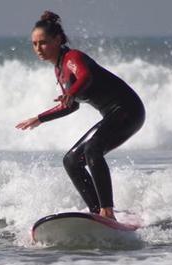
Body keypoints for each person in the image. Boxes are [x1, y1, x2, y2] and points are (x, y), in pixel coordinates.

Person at [16, 11, 145, 220]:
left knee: (93, 149)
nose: (38, 49)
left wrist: (70, 93)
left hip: (128, 110)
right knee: (71, 161)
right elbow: (70, 106)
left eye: (43, 43)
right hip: (113, 115)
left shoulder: (72, 58)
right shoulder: (59, 70)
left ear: (57, 40)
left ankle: (107, 212)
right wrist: (39, 118)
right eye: (34, 44)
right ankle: (97, 214)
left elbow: (86, 76)